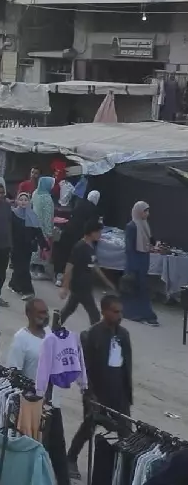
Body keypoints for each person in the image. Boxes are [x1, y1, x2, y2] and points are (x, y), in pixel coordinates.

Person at [67, 295, 132, 480]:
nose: (119, 316)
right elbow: (84, 367)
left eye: (121, 312)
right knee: (89, 427)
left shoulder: (123, 334)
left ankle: (125, 468)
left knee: (125, 430)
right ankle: (71, 458)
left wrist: (127, 392)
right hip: (97, 391)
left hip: (119, 390)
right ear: (104, 311)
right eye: (115, 312)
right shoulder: (91, 335)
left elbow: (127, 364)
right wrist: (89, 393)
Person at [59, 221, 115, 327]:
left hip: (86, 285)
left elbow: (95, 266)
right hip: (80, 285)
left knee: (69, 309)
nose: (100, 235)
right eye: (98, 232)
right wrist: (65, 286)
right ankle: (95, 334)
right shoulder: (79, 247)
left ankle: (55, 327)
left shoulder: (91, 247)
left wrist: (107, 282)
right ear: (92, 232)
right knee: (95, 314)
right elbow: (69, 266)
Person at [122, 201, 159, 326]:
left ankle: (144, 313)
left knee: (142, 288)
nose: (147, 214)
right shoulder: (131, 226)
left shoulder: (145, 225)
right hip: (134, 262)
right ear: (138, 211)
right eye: (145, 211)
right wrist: (133, 266)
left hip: (143, 261)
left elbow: (149, 240)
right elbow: (129, 248)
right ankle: (135, 313)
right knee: (134, 288)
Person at [53, 189, 101, 284]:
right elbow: (93, 226)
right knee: (74, 257)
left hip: (68, 231)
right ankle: (70, 279)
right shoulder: (94, 210)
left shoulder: (79, 204)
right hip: (79, 235)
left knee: (63, 253)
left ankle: (59, 276)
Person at [10, 191, 43, 300]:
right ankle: (17, 286)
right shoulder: (13, 214)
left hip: (27, 247)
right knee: (19, 267)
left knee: (23, 268)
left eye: (26, 200)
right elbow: (9, 230)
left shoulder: (32, 215)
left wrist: (44, 245)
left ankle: (26, 290)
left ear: (29, 202)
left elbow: (38, 231)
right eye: (21, 200)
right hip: (15, 246)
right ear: (17, 201)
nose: (23, 202)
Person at [6, 298, 49, 379]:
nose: (46, 316)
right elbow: (13, 372)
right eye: (41, 313)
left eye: (46, 312)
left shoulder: (49, 332)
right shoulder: (20, 338)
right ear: (29, 314)